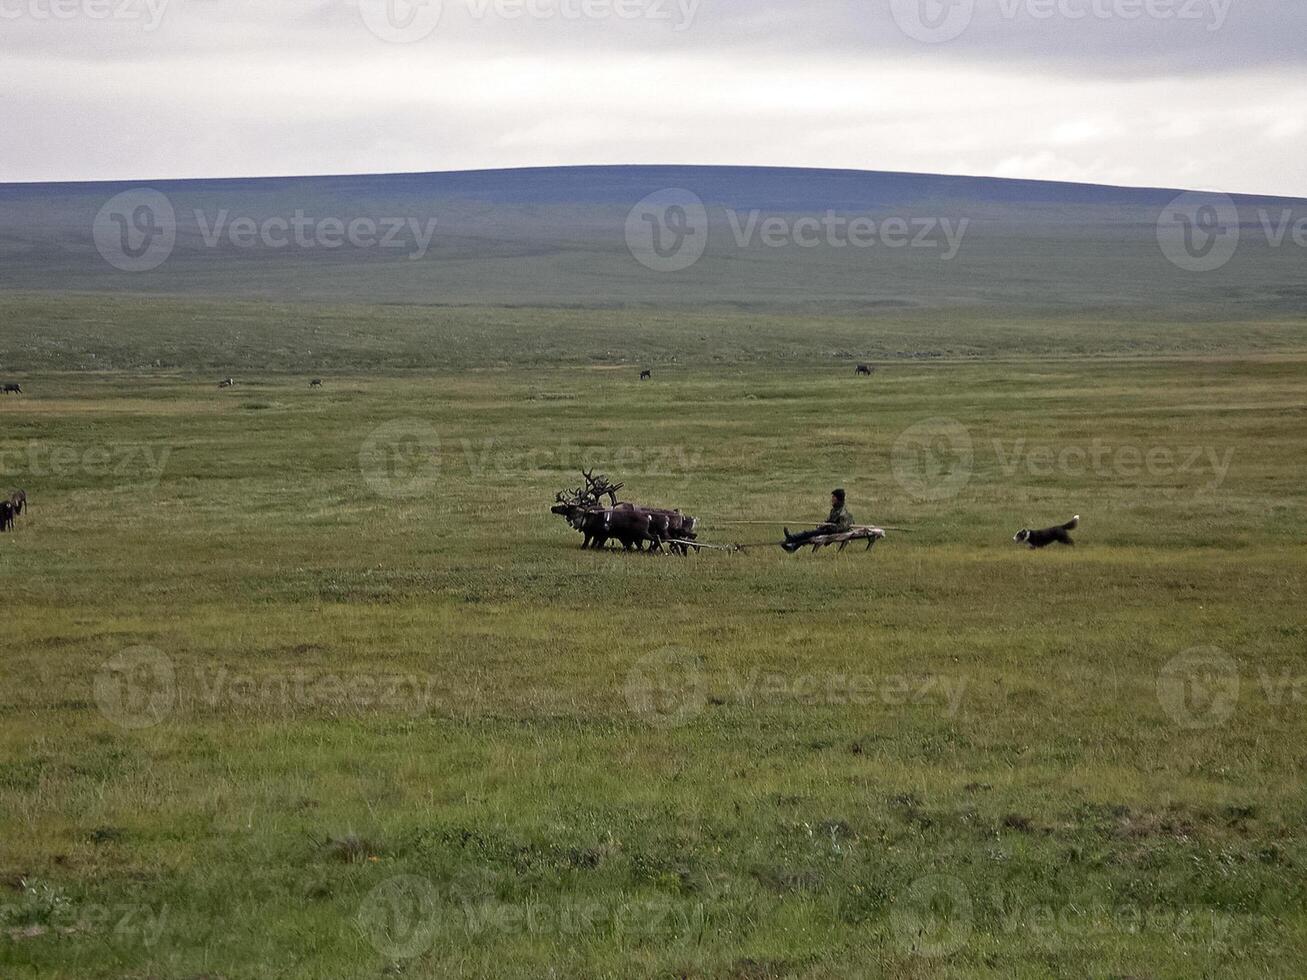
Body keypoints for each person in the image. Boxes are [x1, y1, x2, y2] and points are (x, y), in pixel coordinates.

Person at [782, 489, 854, 552]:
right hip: (827, 530)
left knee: (809, 534)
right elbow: (828, 520)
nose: (832, 499)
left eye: (833, 497)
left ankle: (792, 540)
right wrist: (822, 524)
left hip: (832, 533)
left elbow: (841, 527)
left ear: (838, 499)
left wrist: (829, 526)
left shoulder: (843, 513)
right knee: (808, 534)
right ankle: (792, 543)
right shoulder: (834, 510)